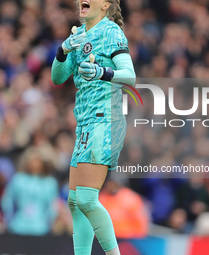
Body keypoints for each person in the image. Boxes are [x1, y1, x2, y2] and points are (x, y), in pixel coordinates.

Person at [51, 0, 136, 254]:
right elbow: (57, 77)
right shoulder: (79, 36)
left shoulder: (111, 31)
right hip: (86, 122)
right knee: (75, 201)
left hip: (104, 120)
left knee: (87, 198)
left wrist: (100, 72)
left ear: (105, 5)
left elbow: (129, 75)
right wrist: (63, 49)